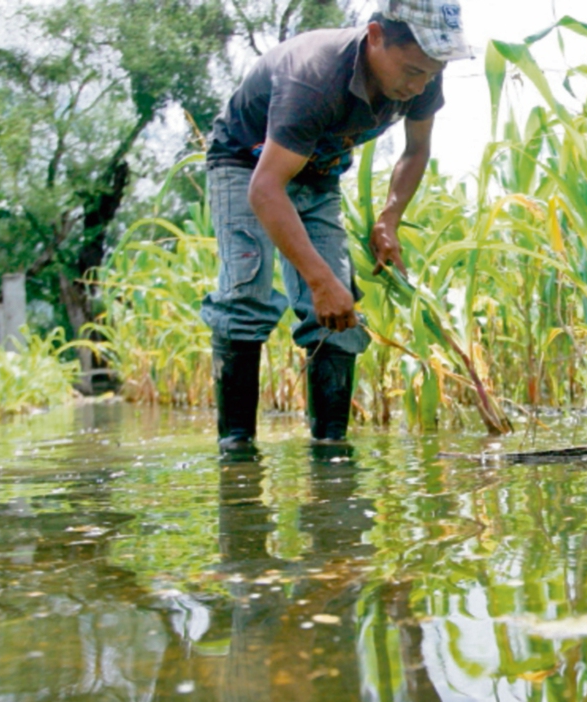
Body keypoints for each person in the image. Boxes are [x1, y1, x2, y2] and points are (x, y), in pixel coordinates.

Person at [201, 0, 471, 452]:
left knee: (339, 314)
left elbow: (415, 150)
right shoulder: (314, 77)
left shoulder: (425, 70)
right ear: (375, 37)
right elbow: (266, 190)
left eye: (430, 72)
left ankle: (330, 451)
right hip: (246, 165)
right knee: (246, 295)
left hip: (319, 174)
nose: (420, 84)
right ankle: (237, 450)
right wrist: (319, 279)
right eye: (411, 71)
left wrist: (389, 218)